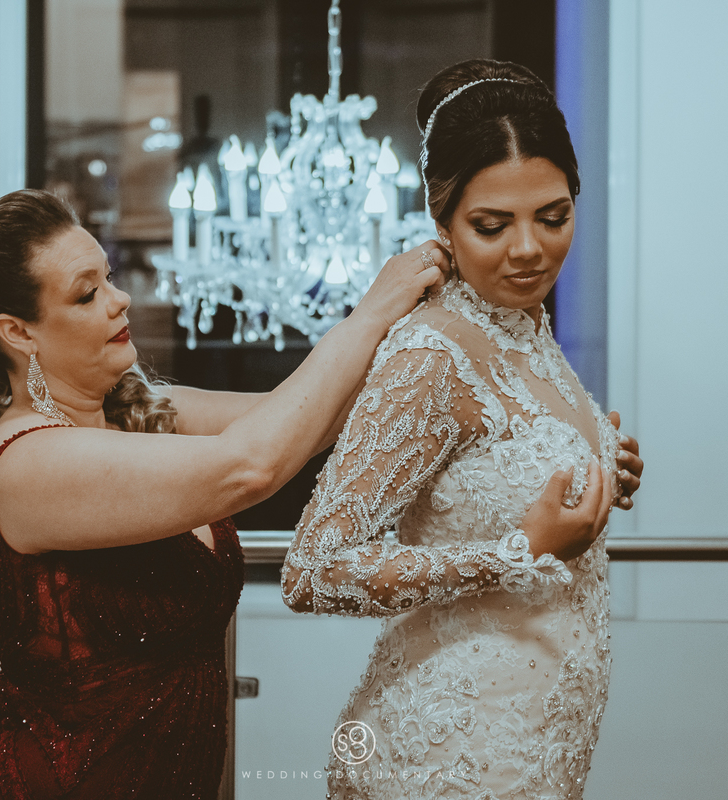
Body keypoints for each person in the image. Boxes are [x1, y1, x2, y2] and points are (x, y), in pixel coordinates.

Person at [0, 188, 452, 798]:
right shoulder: (27, 464)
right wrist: (370, 313)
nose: (120, 299)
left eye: (109, 278)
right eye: (87, 293)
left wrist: (440, 324)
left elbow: (311, 421)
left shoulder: (140, 413)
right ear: (18, 332)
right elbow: (251, 466)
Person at [281, 59, 644, 800]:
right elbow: (314, 569)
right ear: (440, 220)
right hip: (452, 757)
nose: (529, 248)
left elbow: (493, 467)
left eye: (553, 216)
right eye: (491, 225)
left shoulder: (523, 325)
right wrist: (518, 552)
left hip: (535, 745)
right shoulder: (432, 353)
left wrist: (602, 464)